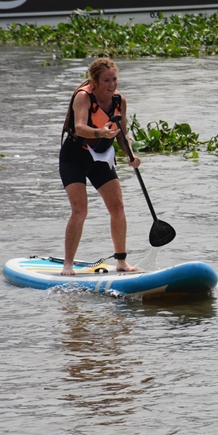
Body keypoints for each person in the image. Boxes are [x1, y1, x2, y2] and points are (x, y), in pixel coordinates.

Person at [59, 58, 141, 275]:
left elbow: (123, 135)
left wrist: (131, 156)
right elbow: (79, 127)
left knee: (118, 207)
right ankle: (68, 264)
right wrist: (100, 133)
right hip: (74, 158)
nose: (112, 84)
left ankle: (121, 261)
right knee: (80, 211)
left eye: (114, 79)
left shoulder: (119, 101)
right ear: (94, 82)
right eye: (106, 80)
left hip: (100, 159)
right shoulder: (83, 97)